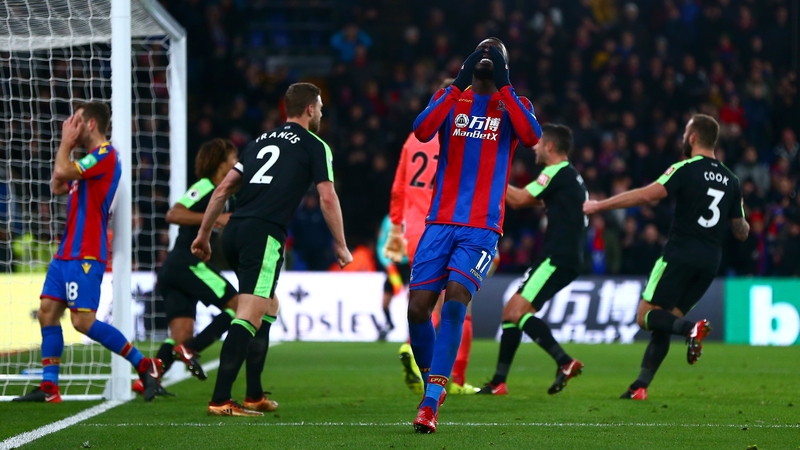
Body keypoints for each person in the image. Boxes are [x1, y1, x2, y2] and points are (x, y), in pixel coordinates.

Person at [192, 83, 352, 416]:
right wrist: (341, 244)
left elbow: (222, 190)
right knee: (248, 312)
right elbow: (327, 196)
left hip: (234, 232)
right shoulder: (315, 145)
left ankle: (253, 395)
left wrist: (204, 235)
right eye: (320, 107)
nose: (321, 112)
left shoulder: (257, 143)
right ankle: (220, 400)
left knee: (268, 305)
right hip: (263, 234)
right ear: (310, 109)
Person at [406, 38, 541, 433]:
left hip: (481, 228)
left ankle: (430, 402)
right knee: (417, 311)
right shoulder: (451, 99)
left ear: (504, 66)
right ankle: (437, 378)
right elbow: (422, 130)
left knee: (455, 301)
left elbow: (532, 137)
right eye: (480, 50)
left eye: (494, 54)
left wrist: (505, 85)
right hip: (439, 222)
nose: (486, 56)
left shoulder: (516, 106)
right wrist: (458, 82)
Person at [584, 114, 749, 400]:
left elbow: (648, 196)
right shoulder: (731, 180)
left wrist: (601, 205)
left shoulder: (684, 168)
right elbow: (741, 231)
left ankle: (690, 329)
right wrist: (740, 210)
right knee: (664, 320)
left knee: (645, 316)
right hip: (710, 262)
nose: (684, 137)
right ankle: (640, 387)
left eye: (686, 132)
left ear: (693, 137)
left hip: (680, 255)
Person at [14, 103, 168, 403]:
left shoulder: (105, 156)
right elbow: (57, 184)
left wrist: (65, 144)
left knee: (82, 321)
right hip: (65, 253)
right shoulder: (85, 163)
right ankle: (49, 388)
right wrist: (69, 152)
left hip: (86, 253)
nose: (71, 125)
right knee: (47, 312)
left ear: (92, 125)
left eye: (77, 121)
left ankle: (143, 364)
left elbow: (61, 170)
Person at [384, 78, 482, 396]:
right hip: (445, 223)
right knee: (457, 305)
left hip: (414, 230)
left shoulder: (415, 137)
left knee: (424, 304)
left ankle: (420, 359)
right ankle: (452, 377)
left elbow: (398, 187)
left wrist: (396, 229)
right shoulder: (460, 133)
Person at [478, 124, 587, 396]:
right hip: (568, 256)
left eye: (539, 144)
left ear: (550, 147)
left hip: (556, 256)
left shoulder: (555, 172)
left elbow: (518, 200)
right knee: (510, 313)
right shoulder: (572, 178)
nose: (535, 148)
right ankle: (499, 381)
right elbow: (531, 202)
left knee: (517, 312)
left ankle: (564, 361)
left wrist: (488, 173)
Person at [152, 139, 240, 383]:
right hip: (186, 262)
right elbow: (174, 213)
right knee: (238, 304)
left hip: (176, 268)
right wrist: (216, 218)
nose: (236, 163)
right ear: (220, 163)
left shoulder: (226, 193)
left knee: (181, 333)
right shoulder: (204, 186)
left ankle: (149, 377)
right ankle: (193, 349)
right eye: (233, 158)